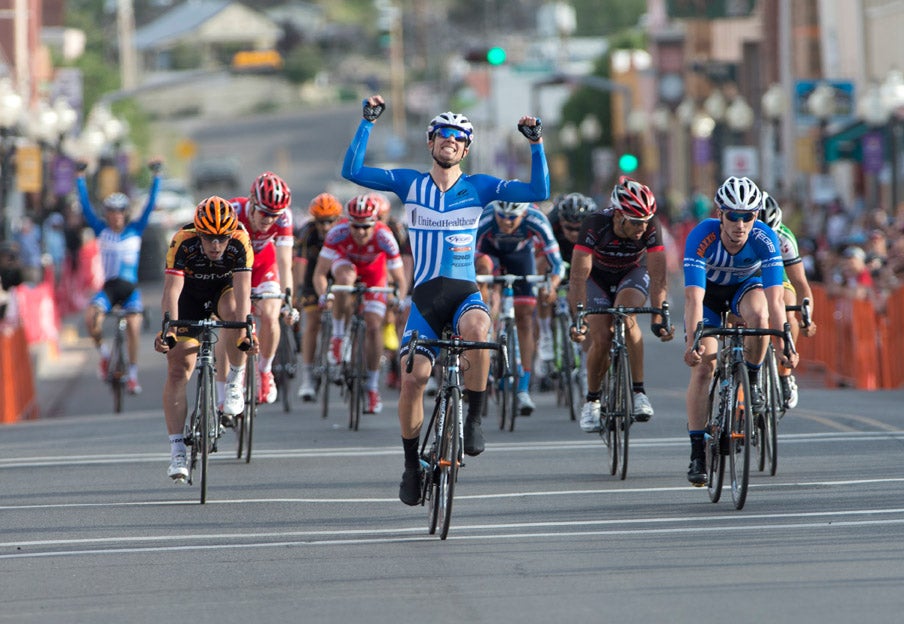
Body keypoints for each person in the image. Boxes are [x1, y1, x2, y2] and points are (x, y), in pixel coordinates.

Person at [341, 94, 549, 505]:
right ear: (430, 143)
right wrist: (367, 122)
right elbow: (351, 170)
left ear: (466, 149)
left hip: (463, 292)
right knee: (414, 377)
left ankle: (473, 418)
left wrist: (536, 143)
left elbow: (539, 189)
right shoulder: (408, 183)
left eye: (458, 138)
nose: (450, 141)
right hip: (424, 299)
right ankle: (409, 466)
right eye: (442, 136)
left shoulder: (480, 186)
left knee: (477, 329)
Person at [682, 176, 799, 486]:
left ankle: (753, 376)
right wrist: (692, 339)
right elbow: (693, 297)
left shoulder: (764, 238)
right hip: (707, 297)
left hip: (742, 292)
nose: (740, 224)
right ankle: (697, 451)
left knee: (760, 313)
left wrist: (785, 341)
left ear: (756, 217)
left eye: (748, 216)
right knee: (704, 366)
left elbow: (776, 300)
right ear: (720, 213)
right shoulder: (701, 236)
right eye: (733, 215)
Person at [154, 196, 253, 481]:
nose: (215, 245)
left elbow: (244, 290)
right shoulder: (182, 241)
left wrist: (246, 331)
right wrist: (168, 331)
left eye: (221, 238)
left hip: (223, 292)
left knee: (235, 313)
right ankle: (177, 451)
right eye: (209, 238)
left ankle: (234, 378)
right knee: (177, 369)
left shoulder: (240, 241)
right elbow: (171, 290)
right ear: (198, 232)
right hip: (189, 295)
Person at [569, 177, 674, 433]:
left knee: (627, 317)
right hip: (597, 278)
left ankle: (639, 393)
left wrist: (658, 318)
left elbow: (658, 277)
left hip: (632, 273)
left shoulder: (651, 226)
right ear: (618, 215)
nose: (642, 227)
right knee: (602, 337)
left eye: (645, 221)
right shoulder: (594, 224)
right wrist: (579, 320)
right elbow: (578, 277)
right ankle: (592, 401)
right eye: (636, 222)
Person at [311, 193, 409, 415]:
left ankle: (373, 388)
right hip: (345, 265)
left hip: (374, 274)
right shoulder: (338, 232)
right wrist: (323, 295)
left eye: (366, 227)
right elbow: (320, 274)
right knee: (344, 280)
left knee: (374, 326)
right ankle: (337, 337)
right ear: (348, 223)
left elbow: (400, 279)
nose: (360, 232)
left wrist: (399, 301)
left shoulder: (385, 236)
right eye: (355, 226)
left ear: (375, 223)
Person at [77, 159, 162, 395]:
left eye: (119, 212)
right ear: (107, 214)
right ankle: (104, 356)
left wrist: (156, 177)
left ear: (125, 214)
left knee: (134, 326)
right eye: (111, 213)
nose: (115, 217)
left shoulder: (136, 229)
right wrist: (80, 178)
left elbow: (150, 204)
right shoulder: (100, 230)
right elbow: (85, 207)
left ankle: (133, 375)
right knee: (91, 317)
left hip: (130, 290)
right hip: (109, 288)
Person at [475, 200, 564, 414]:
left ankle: (523, 388)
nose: (506, 222)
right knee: (482, 271)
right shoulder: (485, 219)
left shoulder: (536, 219)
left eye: (512, 218)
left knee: (525, 319)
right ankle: (484, 322)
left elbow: (557, 264)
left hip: (521, 256)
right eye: (501, 217)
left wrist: (551, 286)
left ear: (523, 216)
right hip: (489, 254)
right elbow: (467, 256)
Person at [229, 171, 294, 406]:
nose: (269, 220)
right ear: (252, 202)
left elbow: (285, 262)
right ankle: (232, 379)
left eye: (274, 215)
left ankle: (265, 371)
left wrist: (288, 300)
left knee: (270, 313)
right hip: (233, 267)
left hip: (264, 264)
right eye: (264, 213)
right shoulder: (233, 210)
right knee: (234, 317)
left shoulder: (284, 218)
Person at [760, 193, 818, 409]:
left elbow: (800, 282)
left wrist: (806, 318)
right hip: (746, 273)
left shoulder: (784, 237)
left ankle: (784, 374)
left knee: (787, 308)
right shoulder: (736, 230)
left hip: (777, 275)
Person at [294, 192, 343, 401]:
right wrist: (298, 290)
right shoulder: (307, 232)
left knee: (346, 308)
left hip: (338, 272)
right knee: (312, 322)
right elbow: (300, 264)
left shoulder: (343, 230)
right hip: (313, 275)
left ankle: (342, 351)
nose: (325, 227)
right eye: (321, 222)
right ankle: (307, 376)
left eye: (330, 222)